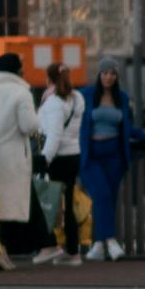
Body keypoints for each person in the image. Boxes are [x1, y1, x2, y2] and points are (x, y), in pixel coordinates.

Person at [0, 51, 50, 261]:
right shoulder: (20, 92)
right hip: (11, 158)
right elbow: (28, 125)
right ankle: (2, 253)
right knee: (11, 205)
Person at [79, 55, 145, 261]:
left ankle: (99, 246)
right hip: (92, 155)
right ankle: (110, 240)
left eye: (112, 73)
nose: (108, 77)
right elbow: (67, 104)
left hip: (114, 154)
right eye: (105, 73)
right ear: (99, 74)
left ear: (116, 76)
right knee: (101, 195)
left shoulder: (123, 97)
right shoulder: (87, 94)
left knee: (110, 199)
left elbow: (127, 128)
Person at [37, 61, 85, 265]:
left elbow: (54, 134)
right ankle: (73, 252)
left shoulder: (54, 103)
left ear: (49, 80)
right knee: (67, 204)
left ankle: (49, 245)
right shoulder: (77, 98)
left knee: (45, 202)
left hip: (57, 157)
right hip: (74, 154)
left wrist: (44, 160)